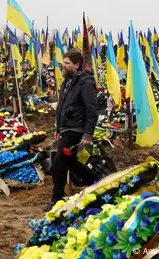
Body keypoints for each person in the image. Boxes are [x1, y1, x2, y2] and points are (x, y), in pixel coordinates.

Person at [45, 49, 99, 211]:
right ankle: (97, 182)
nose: (64, 65)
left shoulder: (86, 83)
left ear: (76, 65)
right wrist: (58, 126)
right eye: (63, 62)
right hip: (66, 127)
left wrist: (88, 134)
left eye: (67, 63)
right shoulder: (66, 82)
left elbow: (92, 109)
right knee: (70, 162)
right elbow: (61, 106)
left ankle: (57, 198)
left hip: (76, 128)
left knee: (59, 163)